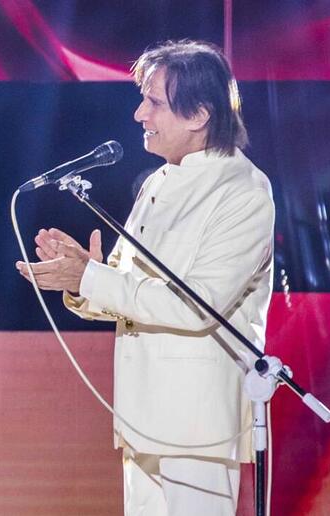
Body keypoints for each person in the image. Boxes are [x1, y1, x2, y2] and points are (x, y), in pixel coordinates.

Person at [16, 40, 274, 515]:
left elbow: (197, 307)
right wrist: (80, 278)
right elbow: (127, 289)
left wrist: (92, 278)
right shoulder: (159, 181)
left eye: (153, 102)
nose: (139, 115)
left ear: (198, 114)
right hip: (141, 419)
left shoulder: (244, 191)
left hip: (198, 428)